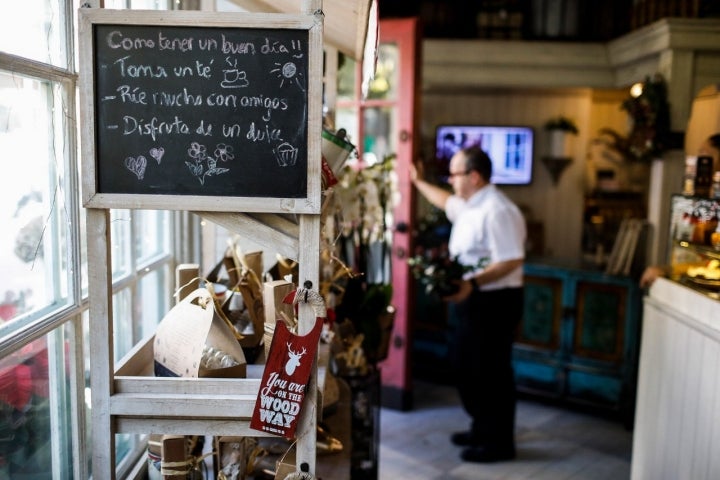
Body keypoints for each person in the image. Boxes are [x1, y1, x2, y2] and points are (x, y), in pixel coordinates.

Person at [410, 146, 526, 463]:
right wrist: (418, 183)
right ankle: (481, 428)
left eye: (454, 173)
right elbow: (446, 201)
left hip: (495, 301)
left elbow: (512, 258)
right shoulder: (470, 204)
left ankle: (499, 443)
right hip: (474, 298)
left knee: (491, 373)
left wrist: (472, 284)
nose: (450, 179)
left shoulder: (498, 210)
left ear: (473, 177)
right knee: (468, 365)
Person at [639, 132, 720, 289]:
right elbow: (701, 255)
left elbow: (713, 265)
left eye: (706, 156)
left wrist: (669, 270)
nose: (700, 163)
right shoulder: (701, 206)